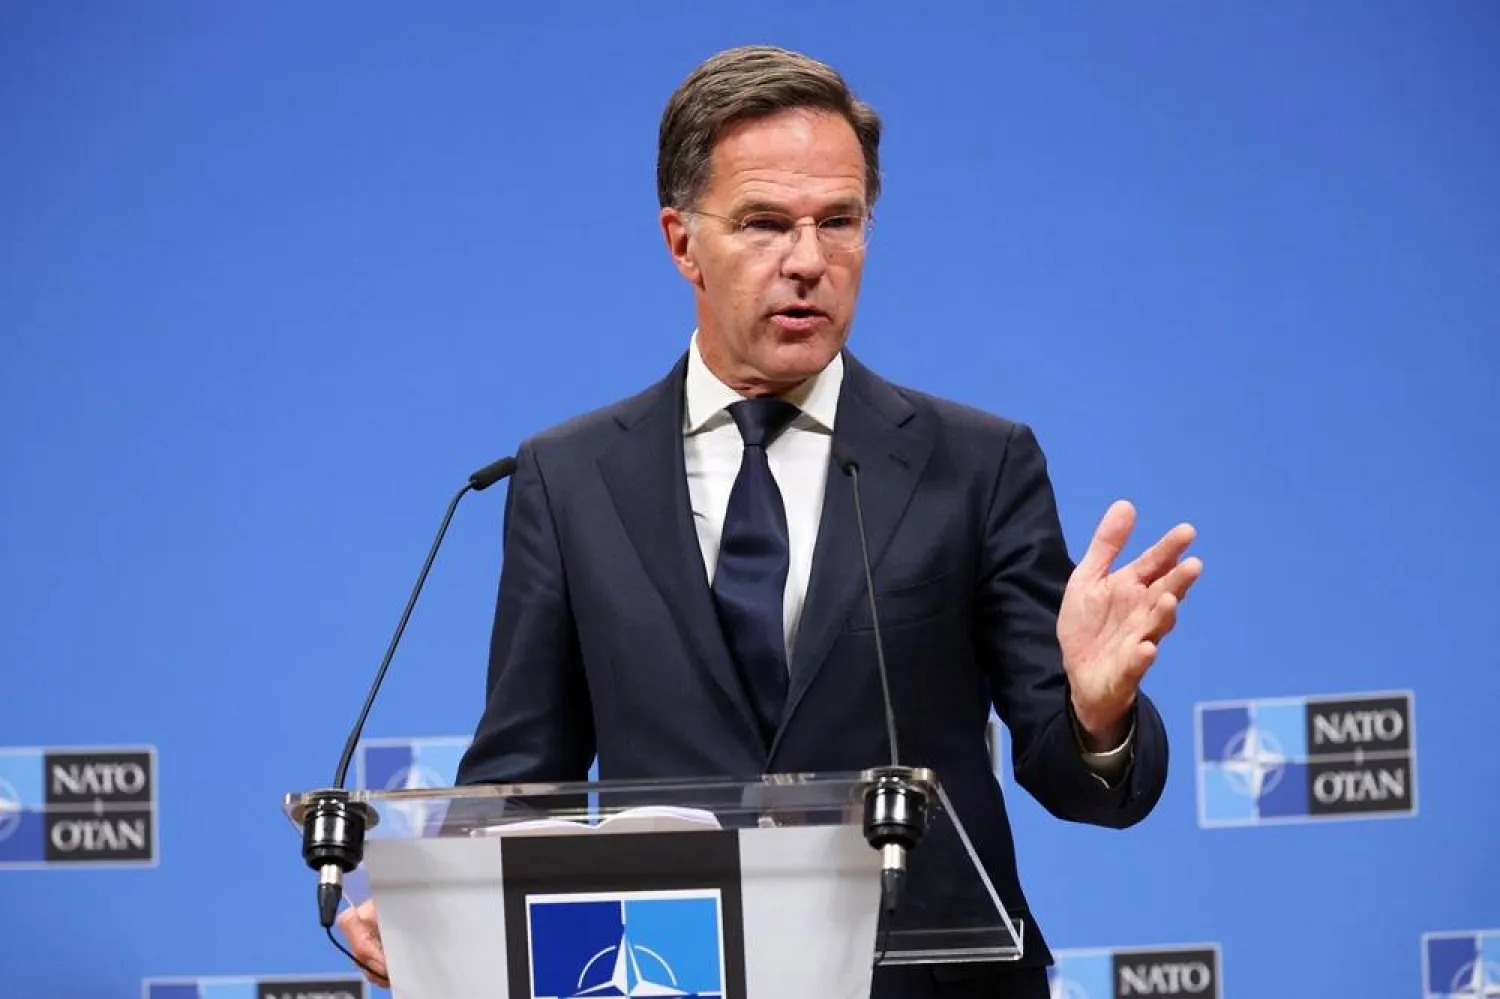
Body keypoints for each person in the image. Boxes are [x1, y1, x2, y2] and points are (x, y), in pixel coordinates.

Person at [337, 44, 1202, 998]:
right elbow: (522, 774)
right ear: (680, 241)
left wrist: (1096, 709)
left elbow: (1079, 778)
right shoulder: (572, 476)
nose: (808, 261)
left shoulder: (976, 462)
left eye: (840, 221)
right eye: (764, 224)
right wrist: (440, 910)